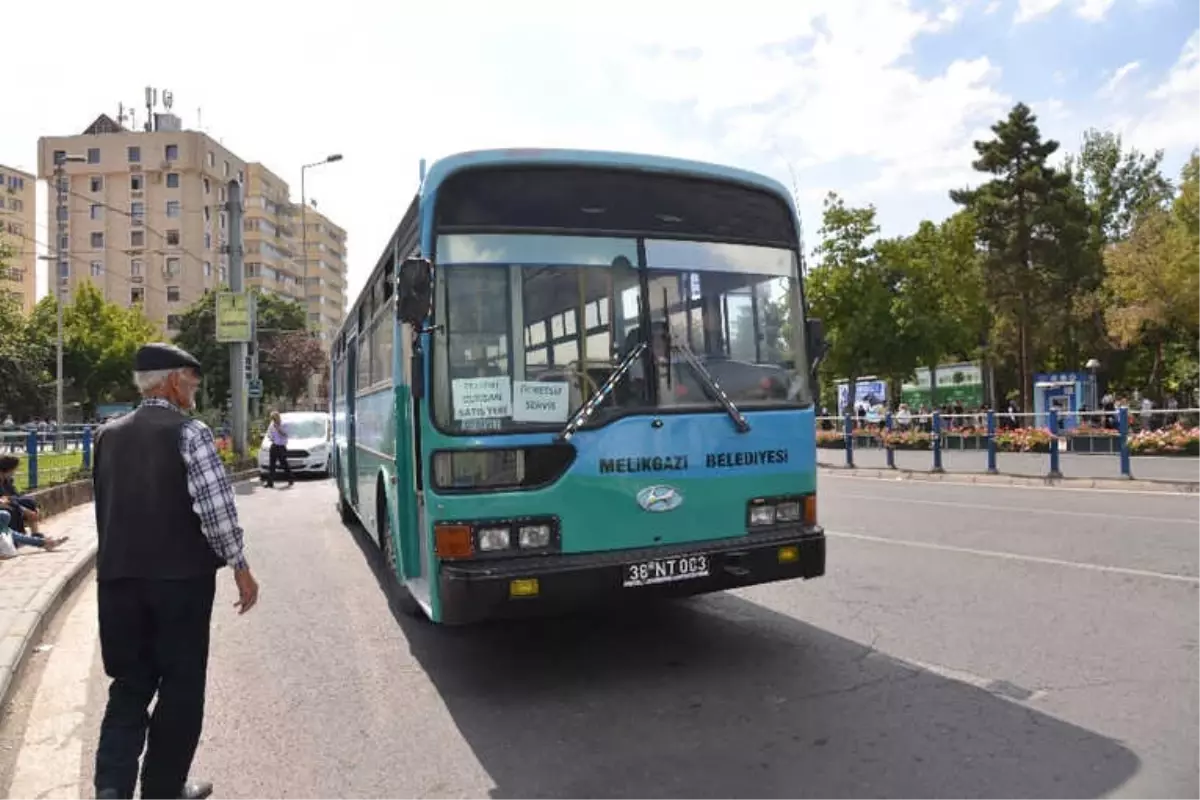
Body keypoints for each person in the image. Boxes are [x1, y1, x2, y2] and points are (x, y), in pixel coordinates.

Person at [92, 343, 260, 800]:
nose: (195, 389)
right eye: (191, 379)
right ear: (171, 381)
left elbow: (104, 509)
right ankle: (164, 789)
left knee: (128, 686)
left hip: (118, 583)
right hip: (180, 585)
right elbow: (216, 511)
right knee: (181, 689)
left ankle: (111, 790)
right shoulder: (191, 432)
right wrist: (240, 566)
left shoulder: (106, 435)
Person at [263, 410, 293, 489]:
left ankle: (290, 479)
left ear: (278, 417)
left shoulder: (284, 424)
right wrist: (271, 437)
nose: (273, 420)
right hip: (274, 446)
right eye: (272, 418)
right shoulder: (272, 425)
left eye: (274, 418)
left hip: (282, 447)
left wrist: (278, 428)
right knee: (272, 465)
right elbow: (269, 434)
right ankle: (270, 482)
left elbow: (285, 434)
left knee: (284, 464)